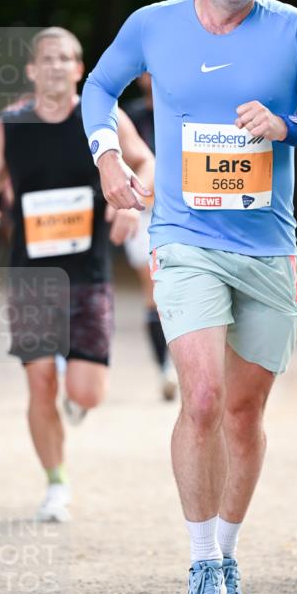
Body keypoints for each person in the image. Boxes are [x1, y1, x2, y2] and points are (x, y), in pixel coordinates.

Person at [82, 0, 297, 594]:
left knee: (242, 413)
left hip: (268, 248)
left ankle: (229, 552)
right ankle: (203, 562)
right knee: (201, 398)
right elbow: (98, 87)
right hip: (185, 239)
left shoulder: (292, 31)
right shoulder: (154, 25)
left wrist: (288, 125)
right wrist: (108, 158)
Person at [0, 27, 154, 523]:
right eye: (47, 58)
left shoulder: (104, 118)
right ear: (32, 70)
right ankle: (56, 484)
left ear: (79, 70)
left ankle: (80, 405)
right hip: (31, 275)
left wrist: (133, 204)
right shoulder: (10, 127)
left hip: (89, 274)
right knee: (39, 383)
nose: (56, 66)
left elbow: (145, 161)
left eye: (66, 58)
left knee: (85, 392)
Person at [122, 72, 178, 401]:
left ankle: (186, 364)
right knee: (154, 289)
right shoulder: (130, 118)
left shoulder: (186, 108)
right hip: (143, 212)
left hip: (184, 212)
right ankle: (165, 368)